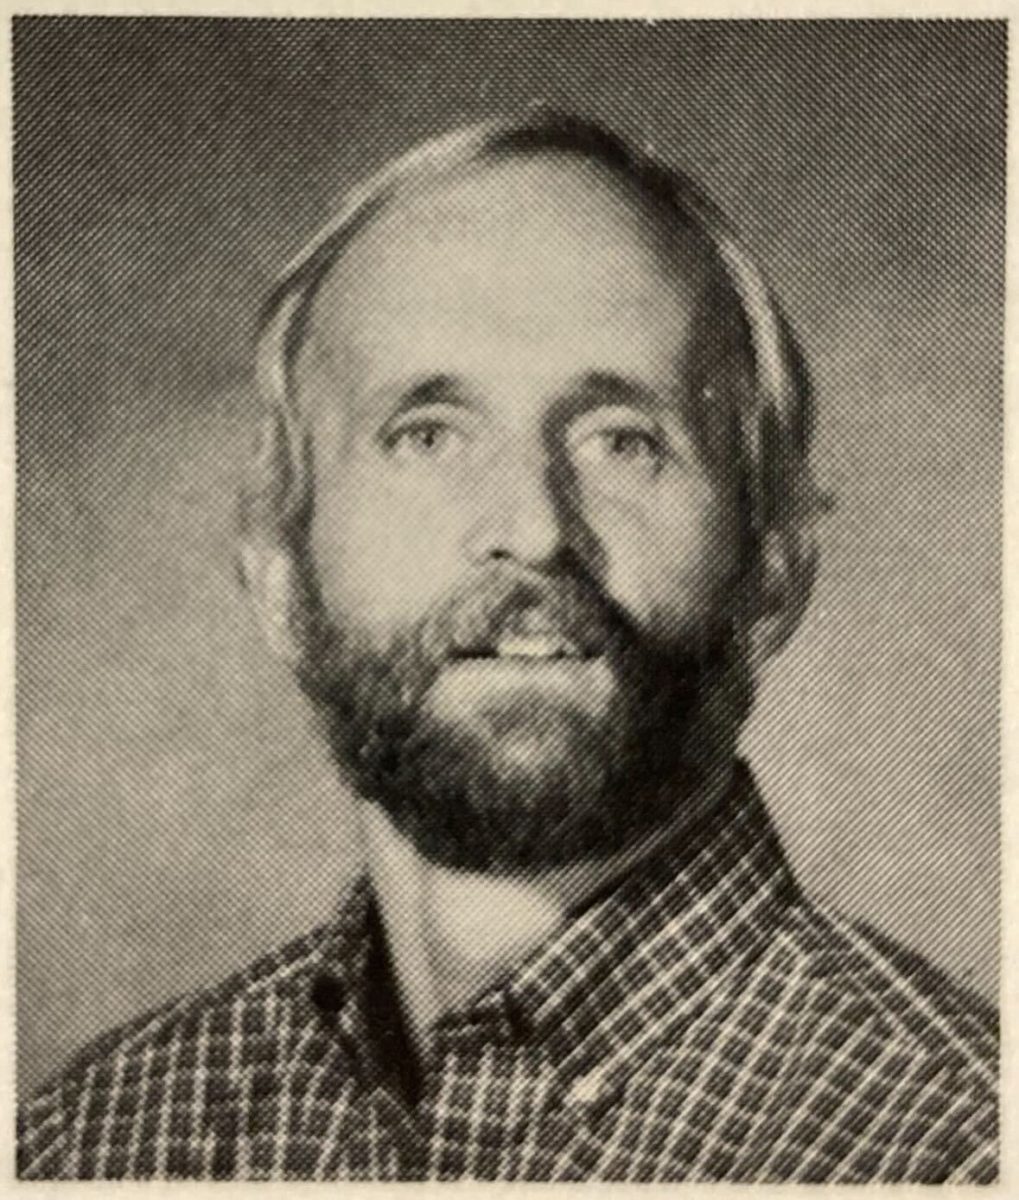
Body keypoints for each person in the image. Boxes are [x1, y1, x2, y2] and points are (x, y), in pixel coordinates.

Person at [17, 111, 997, 1183]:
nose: (530, 528)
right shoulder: (95, 1143)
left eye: (622, 440)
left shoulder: (955, 1151)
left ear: (771, 567)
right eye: (426, 434)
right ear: (279, 576)